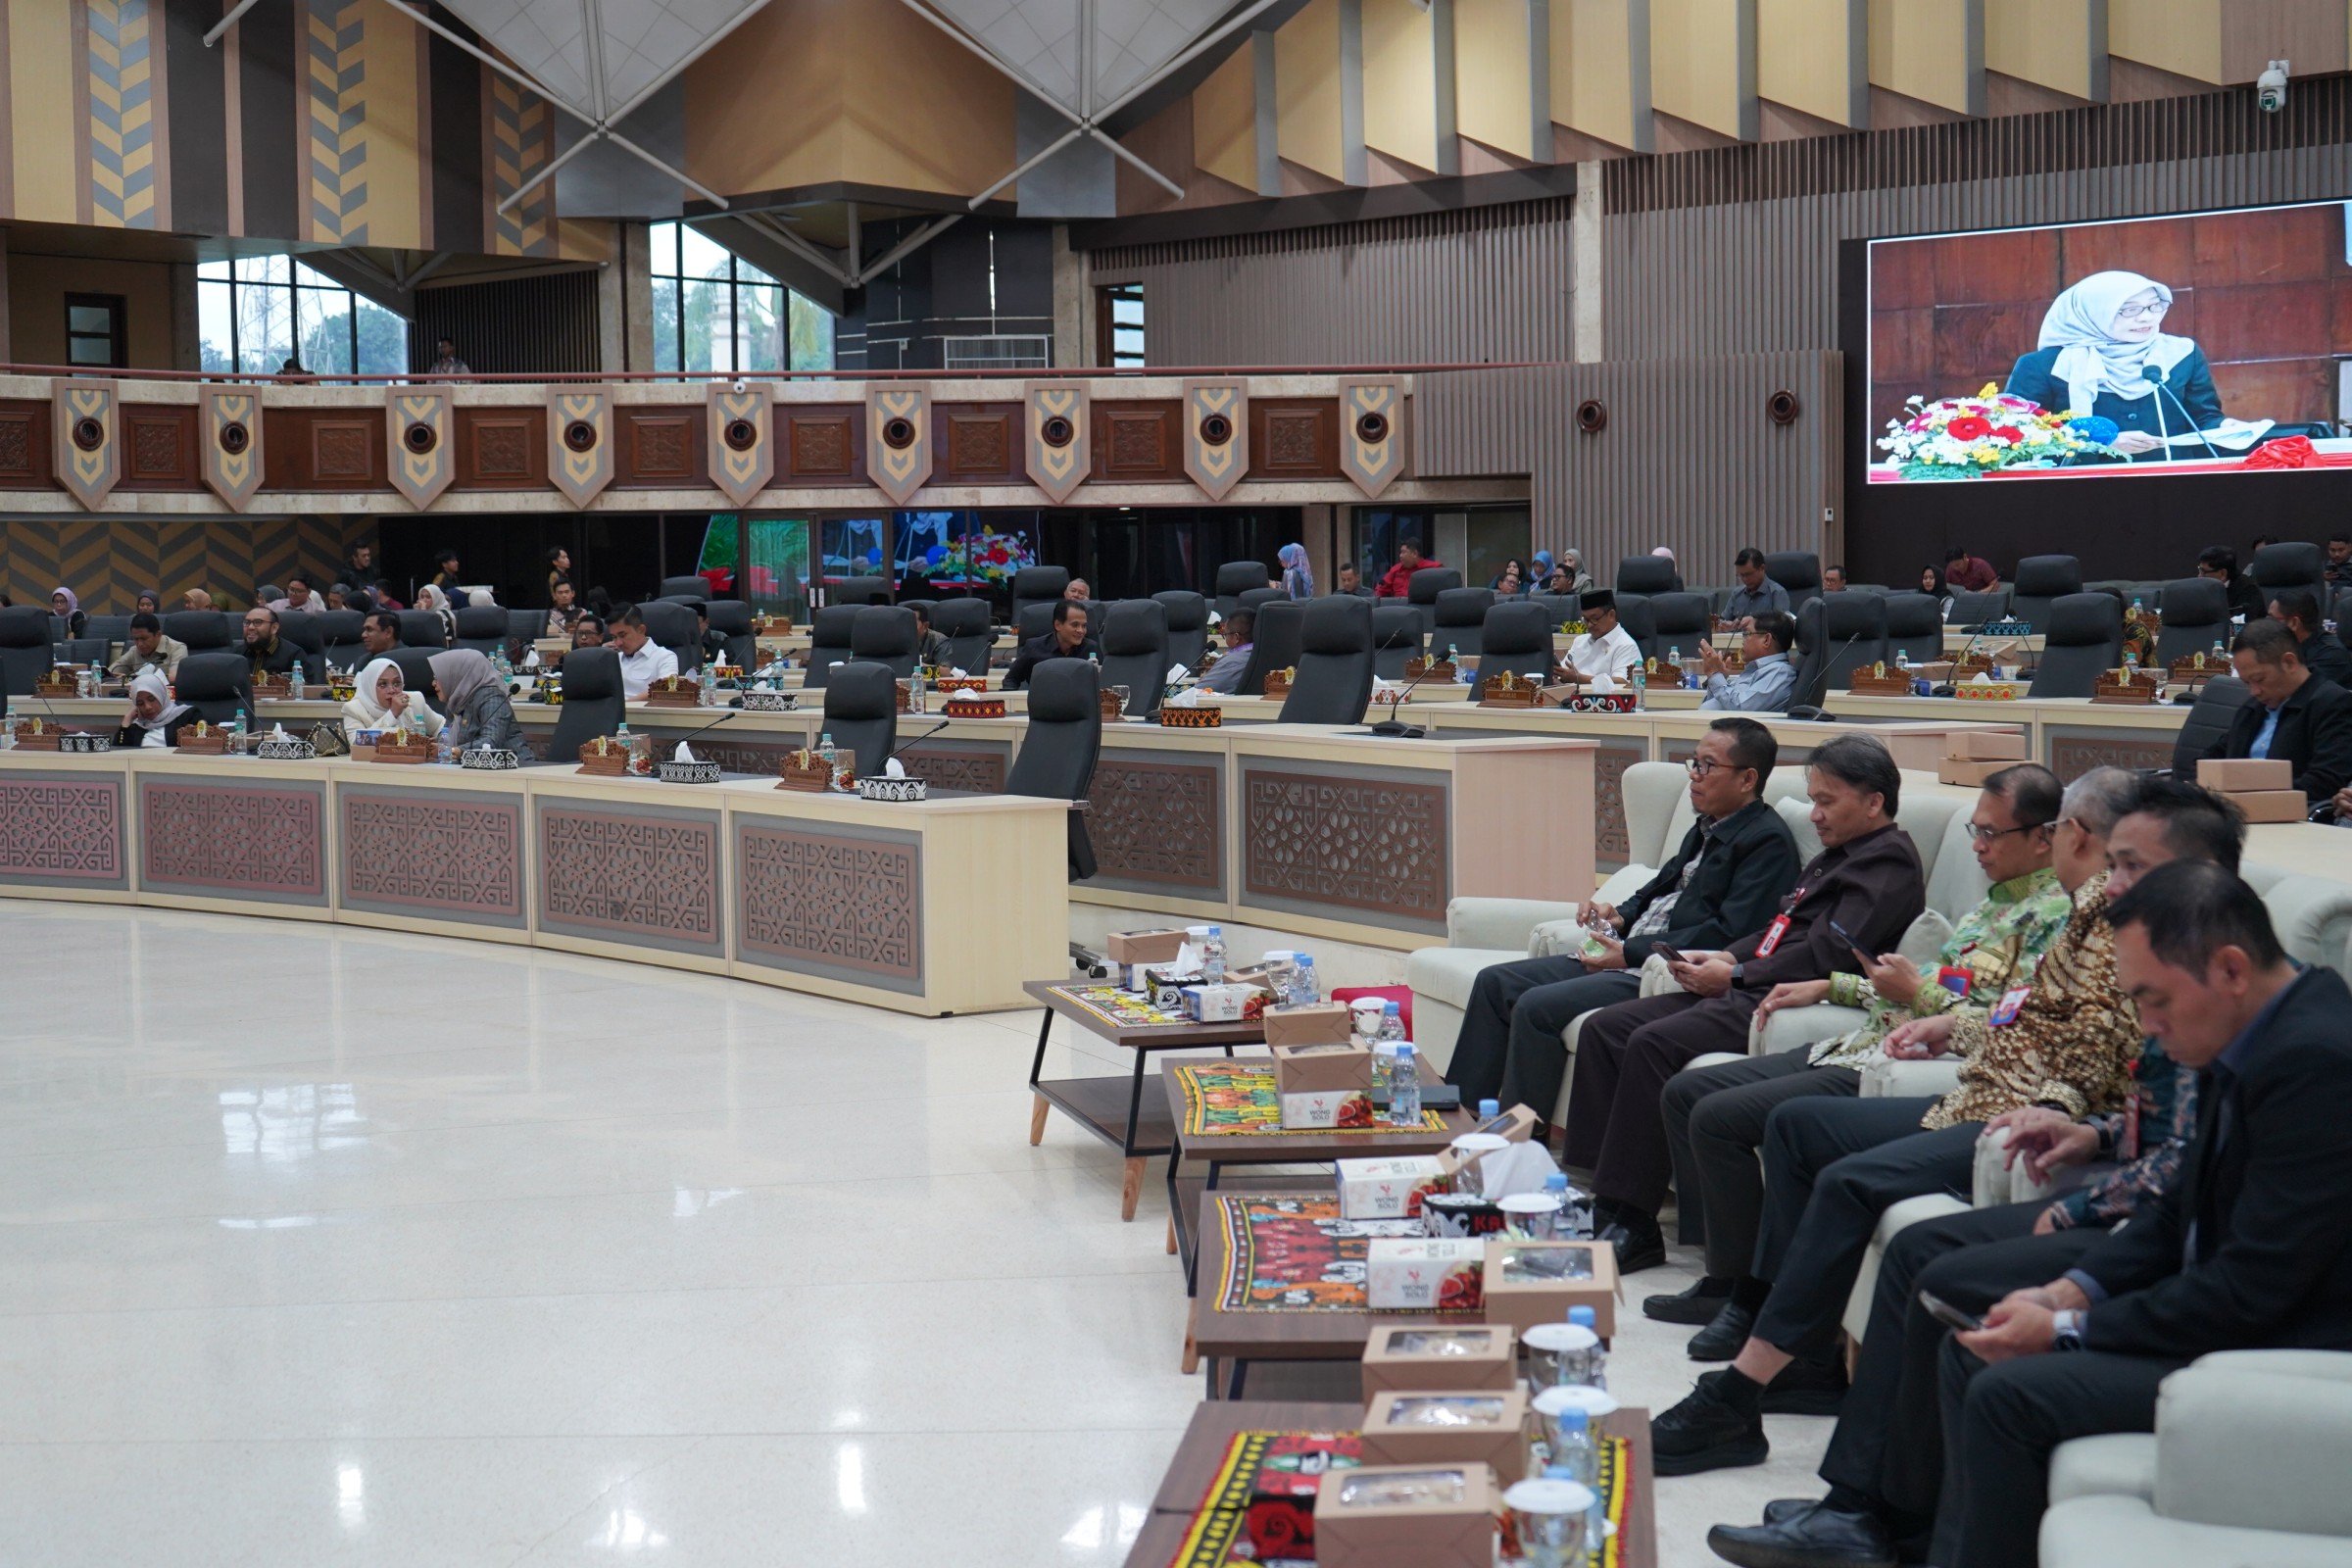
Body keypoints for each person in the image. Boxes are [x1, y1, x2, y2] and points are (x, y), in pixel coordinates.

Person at [1696, 774, 2238, 1568]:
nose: (2113, 882)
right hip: (2001, 1099)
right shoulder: (2118, 928)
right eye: (2115, 864)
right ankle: (1848, 1486)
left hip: (2030, 1129)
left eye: (2131, 866)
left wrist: (2074, 1293)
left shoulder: (2212, 990)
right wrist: (2064, 1112)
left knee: (1897, 1230)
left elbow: (2110, 1075)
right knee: (1809, 1148)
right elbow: (2092, 1067)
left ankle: (1834, 1479)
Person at [1651, 766, 2117, 1477]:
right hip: (1913, 1057)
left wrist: (1938, 1014)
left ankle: (1757, 1364)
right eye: (1975, 831)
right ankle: (1777, 1338)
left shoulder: (2085, 918)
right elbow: (2003, 1018)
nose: (1978, 846)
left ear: (2061, 836)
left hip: (1980, 1097)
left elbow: (2065, 1050)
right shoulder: (2020, 908)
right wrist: (1874, 995)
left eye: (1991, 833)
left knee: (1791, 1143)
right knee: (1776, 1122)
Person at [1929, 863, 2352, 1568]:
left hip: (2285, 1353)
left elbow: (2252, 1287)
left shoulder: (2318, 1063)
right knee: (1970, 1347)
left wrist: (2067, 1331)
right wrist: (2066, 1293)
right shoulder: (2249, 1028)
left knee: (2008, 1395)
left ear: (2231, 969)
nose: (2148, 1027)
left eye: (2155, 1001)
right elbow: (2178, 1203)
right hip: (2228, 1315)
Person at [1565, 735, 1927, 1272]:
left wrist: (1735, 974)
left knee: (1652, 1042)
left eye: (1827, 802)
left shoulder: (1887, 863)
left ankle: (1636, 1223)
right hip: (1752, 979)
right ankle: (1606, 1200)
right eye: (1813, 800)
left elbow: (1826, 953)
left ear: (1873, 802)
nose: (1815, 815)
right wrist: (1720, 956)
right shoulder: (1838, 855)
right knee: (1609, 1028)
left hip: (1787, 998)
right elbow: (1778, 928)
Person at [1446, 719, 1801, 1119]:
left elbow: (1728, 933)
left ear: (1747, 779)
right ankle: (1456, 1117)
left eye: (1707, 766)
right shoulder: (1706, 826)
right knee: (1494, 982)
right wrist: (1618, 915)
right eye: (1694, 763)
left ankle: (1521, 1136)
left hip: (1653, 968)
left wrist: (1629, 952)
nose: (1693, 776)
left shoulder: (1766, 842)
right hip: (1625, 951)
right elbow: (1659, 888)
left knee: (1535, 1007)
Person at [2004, 270, 2221, 459]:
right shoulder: (2042, 366)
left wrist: (2223, 428)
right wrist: (2100, 445)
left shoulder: (2181, 353)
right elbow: (2018, 436)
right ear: (2093, 313)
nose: (2147, 318)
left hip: (2172, 477)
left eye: (2155, 306)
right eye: (2129, 310)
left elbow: (2204, 418)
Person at [2197, 617, 2352, 804]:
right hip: (2234, 811)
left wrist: (2249, 796)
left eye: (2259, 679)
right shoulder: (2253, 709)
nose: (2254, 691)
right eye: (2247, 683)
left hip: (2292, 814)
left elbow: (2324, 783)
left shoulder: (2333, 705)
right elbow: (2211, 759)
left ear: (2289, 662)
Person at [428, 650, 524, 753]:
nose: (433, 683)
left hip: (517, 762)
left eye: (437, 678)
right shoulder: (455, 704)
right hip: (468, 763)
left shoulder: (492, 699)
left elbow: (491, 742)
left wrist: (457, 750)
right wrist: (436, 744)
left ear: (458, 675)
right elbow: (447, 739)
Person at [1698, 612, 1797, 712]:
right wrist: (1720, 676)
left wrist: (1715, 675)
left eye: (1747, 634)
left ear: (1766, 640)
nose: (1743, 640)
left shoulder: (1780, 673)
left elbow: (1741, 709)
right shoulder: (1756, 670)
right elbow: (1717, 703)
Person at [1552, 589, 1641, 690]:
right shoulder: (1580, 641)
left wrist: (1579, 678)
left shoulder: (1626, 645)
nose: (1589, 625)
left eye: (1594, 619)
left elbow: (1623, 682)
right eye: (1585, 620)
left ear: (1611, 615)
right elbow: (1565, 672)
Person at [341, 657, 444, 740]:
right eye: (383, 684)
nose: (392, 690)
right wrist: (392, 714)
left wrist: (439, 743)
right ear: (369, 687)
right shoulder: (353, 709)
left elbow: (442, 727)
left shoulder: (414, 700)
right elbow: (356, 743)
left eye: (396, 683)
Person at [2269, 587, 2352, 689]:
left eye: (2272, 619)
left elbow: (2297, 692)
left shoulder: (2331, 655)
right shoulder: (2284, 646)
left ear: (2294, 623)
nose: (2267, 624)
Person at [1007, 599, 1094, 690]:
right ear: (1058, 625)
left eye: (1084, 626)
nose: (1081, 630)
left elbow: (1101, 682)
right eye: (1075, 625)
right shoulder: (1034, 647)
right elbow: (1011, 679)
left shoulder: (1091, 648)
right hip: (1042, 698)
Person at [113, 668, 196, 750]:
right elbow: (118, 751)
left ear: (161, 695)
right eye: (140, 703)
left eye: (151, 699)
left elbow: (198, 746)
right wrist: (127, 718)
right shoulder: (137, 726)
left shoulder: (187, 716)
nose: (147, 707)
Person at [611, 608, 679, 699]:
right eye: (614, 637)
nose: (618, 643)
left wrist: (624, 704)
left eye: (623, 635)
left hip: (642, 707)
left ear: (641, 630)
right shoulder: (613, 658)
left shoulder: (665, 657)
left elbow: (667, 688)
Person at [107, 612, 186, 682]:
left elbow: (173, 678)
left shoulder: (177, 648)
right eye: (136, 639)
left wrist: (130, 678)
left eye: (144, 639)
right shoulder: (134, 650)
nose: (140, 644)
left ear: (158, 634)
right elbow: (109, 673)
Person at [1721, 548, 1789, 628]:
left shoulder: (1777, 593)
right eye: (1741, 575)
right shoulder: (1737, 594)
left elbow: (1782, 625)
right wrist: (1725, 626)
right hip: (1736, 636)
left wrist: (1755, 620)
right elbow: (1723, 620)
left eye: (1748, 574)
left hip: (1763, 636)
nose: (1745, 579)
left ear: (1762, 568)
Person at [2197, 544, 2266, 623]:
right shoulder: (2203, 589)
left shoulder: (2249, 590)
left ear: (2222, 573)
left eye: (2204, 572)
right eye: (2199, 570)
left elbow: (2240, 625)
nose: (2199, 576)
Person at [1194, 610, 1255, 695]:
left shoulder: (1231, 662)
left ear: (1236, 637)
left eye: (1225, 635)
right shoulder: (1266, 657)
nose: (1225, 638)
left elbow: (1197, 691)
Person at [241, 608, 301, 676]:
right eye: (247, 622)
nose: (250, 627)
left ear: (274, 628)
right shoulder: (237, 653)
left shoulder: (294, 655)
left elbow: (304, 682)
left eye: (258, 622)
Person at [1374, 541, 1441, 599]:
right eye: (1400, 552)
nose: (1400, 556)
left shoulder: (1434, 568)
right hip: (1399, 606)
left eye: (1403, 552)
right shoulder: (1395, 570)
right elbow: (1380, 590)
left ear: (1414, 554)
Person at [911, 604, 952, 668]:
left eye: (912, 623)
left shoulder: (939, 640)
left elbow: (946, 671)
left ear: (925, 626)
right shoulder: (897, 639)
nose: (906, 628)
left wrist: (918, 667)